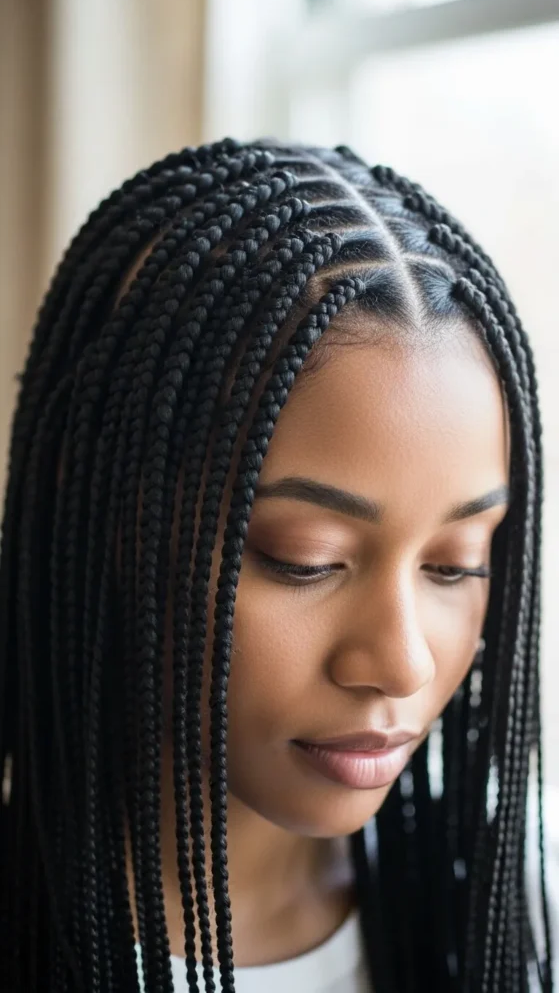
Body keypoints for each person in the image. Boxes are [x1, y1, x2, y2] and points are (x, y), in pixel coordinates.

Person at [0, 137, 555, 993]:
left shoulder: (514, 916)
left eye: (454, 564)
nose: (401, 663)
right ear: (111, 514)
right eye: (306, 560)